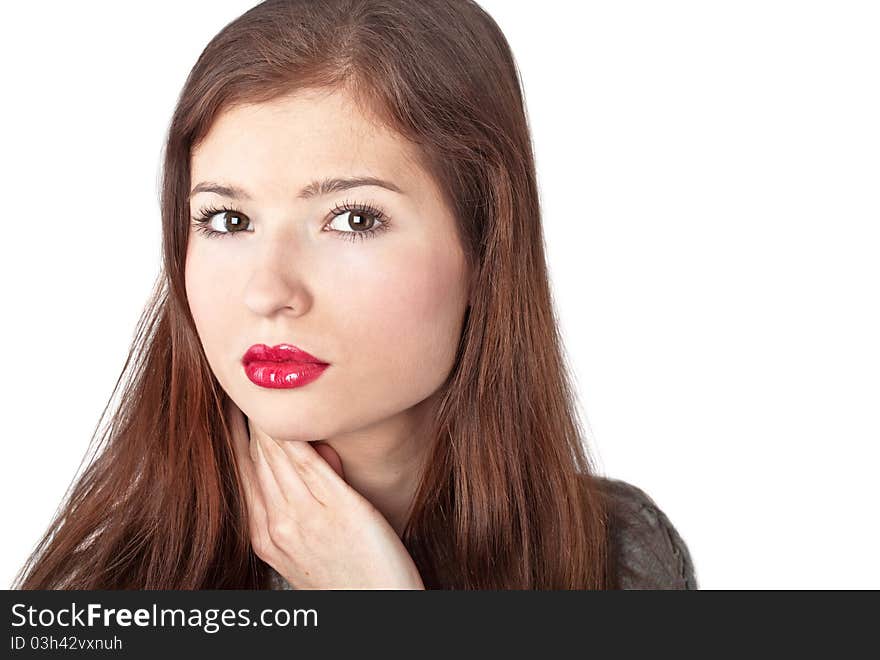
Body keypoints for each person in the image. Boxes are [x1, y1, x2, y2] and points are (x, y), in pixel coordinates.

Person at [14, 0, 696, 590]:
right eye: (228, 220)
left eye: (354, 220)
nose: (268, 291)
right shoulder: (104, 592)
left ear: (486, 249)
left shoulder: (620, 558)